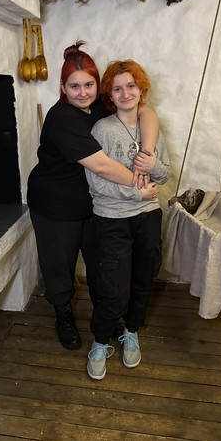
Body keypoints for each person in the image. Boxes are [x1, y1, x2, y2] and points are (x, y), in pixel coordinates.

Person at [27, 42, 160, 351]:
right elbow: (101, 165)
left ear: (98, 84)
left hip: (93, 202)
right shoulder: (62, 118)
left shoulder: (101, 105)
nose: (83, 92)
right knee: (60, 266)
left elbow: (146, 112)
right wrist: (138, 184)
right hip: (55, 203)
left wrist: (147, 153)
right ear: (63, 87)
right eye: (74, 86)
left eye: (88, 84)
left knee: (102, 264)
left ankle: (107, 315)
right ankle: (63, 314)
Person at [85, 59, 171, 380]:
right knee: (113, 290)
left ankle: (131, 331)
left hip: (148, 218)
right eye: (117, 88)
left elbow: (164, 174)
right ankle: (99, 342)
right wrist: (136, 194)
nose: (125, 94)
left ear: (141, 88)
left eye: (131, 86)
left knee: (143, 280)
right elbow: (96, 183)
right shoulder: (102, 129)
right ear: (109, 94)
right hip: (112, 221)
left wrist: (152, 165)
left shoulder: (151, 128)